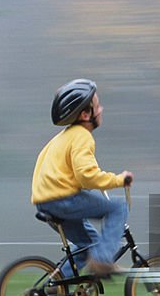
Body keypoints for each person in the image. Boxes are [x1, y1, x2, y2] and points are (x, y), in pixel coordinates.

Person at [30, 79, 133, 277]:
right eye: (97, 105)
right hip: (62, 200)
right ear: (86, 114)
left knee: (89, 244)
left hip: (46, 201)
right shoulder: (82, 136)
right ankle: (103, 261)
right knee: (118, 208)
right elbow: (86, 176)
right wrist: (119, 180)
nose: (101, 109)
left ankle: (56, 288)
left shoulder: (63, 137)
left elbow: (74, 174)